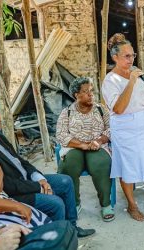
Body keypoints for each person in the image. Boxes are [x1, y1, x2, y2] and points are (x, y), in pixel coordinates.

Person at [0, 88, 94, 237]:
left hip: (26, 180)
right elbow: (4, 182)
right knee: (55, 203)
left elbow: (20, 161)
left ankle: (72, 228)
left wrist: (39, 178)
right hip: (14, 192)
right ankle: (59, 238)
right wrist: (37, 187)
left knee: (65, 181)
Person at [102, 33, 144, 221]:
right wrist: (131, 81)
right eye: (127, 56)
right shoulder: (110, 81)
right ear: (115, 57)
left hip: (143, 128)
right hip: (125, 130)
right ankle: (132, 206)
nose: (131, 59)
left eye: (133, 55)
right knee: (128, 168)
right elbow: (118, 108)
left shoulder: (138, 77)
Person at [56, 77, 114, 222]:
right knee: (69, 165)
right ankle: (74, 203)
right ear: (76, 95)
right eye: (85, 91)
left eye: (91, 91)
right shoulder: (67, 112)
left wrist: (99, 141)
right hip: (74, 147)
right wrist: (82, 144)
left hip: (97, 145)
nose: (91, 94)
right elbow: (61, 135)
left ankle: (106, 204)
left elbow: (111, 129)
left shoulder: (100, 109)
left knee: (101, 164)